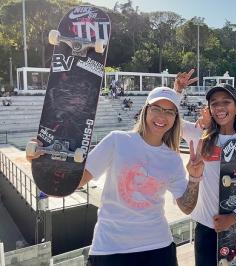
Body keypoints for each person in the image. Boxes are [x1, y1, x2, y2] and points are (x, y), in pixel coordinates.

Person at [26, 87, 205, 266]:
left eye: (169, 112)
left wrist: (195, 179)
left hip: (158, 247)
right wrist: (43, 160)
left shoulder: (172, 158)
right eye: (156, 108)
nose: (162, 116)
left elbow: (186, 207)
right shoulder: (117, 141)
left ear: (175, 118)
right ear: (145, 111)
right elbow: (76, 181)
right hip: (110, 249)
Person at [174, 71, 236, 266]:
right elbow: (170, 121)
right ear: (209, 109)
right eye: (214, 103)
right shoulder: (199, 136)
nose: (219, 107)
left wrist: (234, 217)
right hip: (205, 228)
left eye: (226, 101)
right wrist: (177, 91)